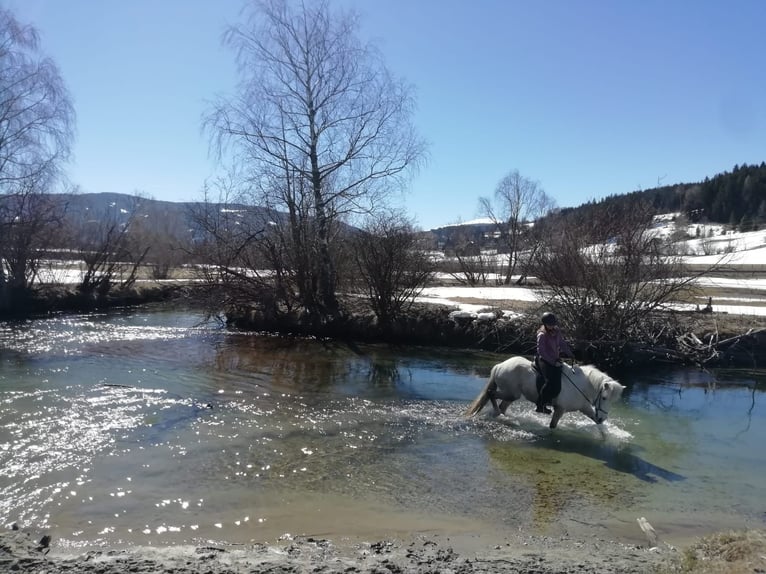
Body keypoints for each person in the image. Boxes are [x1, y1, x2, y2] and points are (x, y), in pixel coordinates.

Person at [535, 312, 574, 414]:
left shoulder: (556, 331)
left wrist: (570, 354)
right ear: (545, 324)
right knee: (549, 382)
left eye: (553, 324)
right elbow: (541, 352)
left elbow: (561, 343)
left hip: (555, 359)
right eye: (550, 324)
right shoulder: (542, 334)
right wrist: (553, 362)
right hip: (543, 360)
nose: (552, 326)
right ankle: (540, 405)